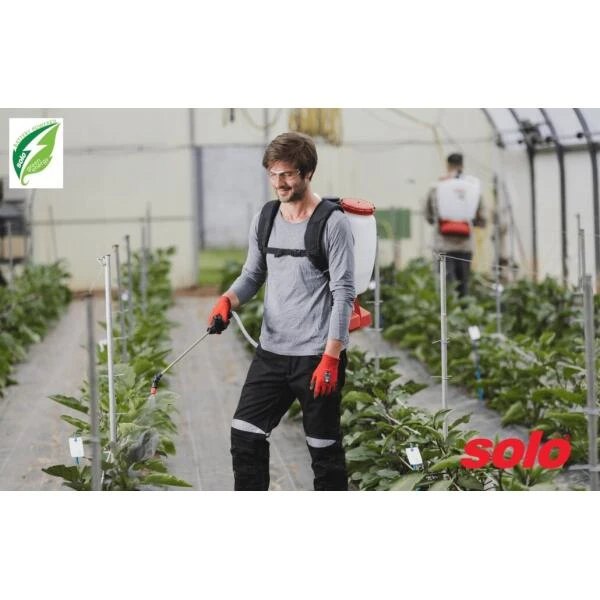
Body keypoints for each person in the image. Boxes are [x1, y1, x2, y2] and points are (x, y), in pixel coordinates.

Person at [207, 132, 356, 491]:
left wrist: (331, 357)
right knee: (245, 435)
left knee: (324, 452)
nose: (279, 183)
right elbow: (252, 274)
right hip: (271, 353)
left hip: (316, 357)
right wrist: (228, 299)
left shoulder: (332, 223)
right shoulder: (266, 217)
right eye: (273, 174)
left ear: (308, 173)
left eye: (287, 174)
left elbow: (344, 292)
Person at [425, 153, 486, 296]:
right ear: (462, 165)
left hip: (443, 245)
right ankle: (464, 309)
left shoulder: (437, 187)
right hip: (465, 246)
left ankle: (448, 310)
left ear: (448, 165)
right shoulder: (472, 187)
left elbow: (429, 216)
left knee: (446, 288)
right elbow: (482, 219)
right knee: (463, 286)